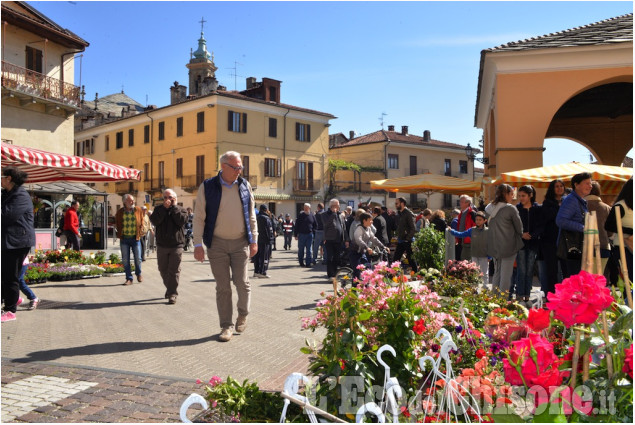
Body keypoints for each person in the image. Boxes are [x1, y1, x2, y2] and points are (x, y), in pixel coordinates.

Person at [193, 151, 258, 343]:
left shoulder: (245, 185)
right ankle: (226, 326)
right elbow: (199, 217)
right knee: (223, 287)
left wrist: (254, 240)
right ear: (223, 166)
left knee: (242, 283)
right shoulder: (207, 187)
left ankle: (243, 314)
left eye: (241, 167)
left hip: (240, 243)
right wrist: (197, 244)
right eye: (235, 167)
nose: (239, 171)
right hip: (217, 244)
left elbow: (251, 216)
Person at [2, 167, 36, 322]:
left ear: (9, 179)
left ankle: (10, 311)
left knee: (11, 276)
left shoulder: (20, 195)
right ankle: (13, 299)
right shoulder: (7, 194)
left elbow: (6, 216)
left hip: (18, 242)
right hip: (9, 241)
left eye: (1, 177)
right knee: (5, 275)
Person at [150, 189, 188, 304]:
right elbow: (155, 221)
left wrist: (174, 207)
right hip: (162, 245)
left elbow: (181, 221)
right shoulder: (158, 209)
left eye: (170, 197)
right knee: (163, 269)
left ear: (175, 198)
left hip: (176, 245)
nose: (167, 200)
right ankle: (170, 288)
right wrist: (164, 210)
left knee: (174, 270)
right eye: (165, 197)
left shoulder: (181, 210)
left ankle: (172, 293)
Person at [485, 184, 523, 296]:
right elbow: (519, 228)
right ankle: (502, 302)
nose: (512, 197)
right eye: (511, 194)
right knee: (506, 275)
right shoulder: (510, 209)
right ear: (505, 194)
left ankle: (494, 298)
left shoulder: (488, 208)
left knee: (497, 273)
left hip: (494, 245)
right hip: (508, 246)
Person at [556, 172, 592, 278]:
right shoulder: (571, 200)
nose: (590, 186)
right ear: (576, 185)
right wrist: (583, 228)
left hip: (577, 248)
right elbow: (560, 220)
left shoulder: (580, 201)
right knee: (573, 282)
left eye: (591, 183)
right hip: (571, 249)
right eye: (586, 183)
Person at [514, 185, 542, 307]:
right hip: (520, 244)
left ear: (530, 195)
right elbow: (513, 225)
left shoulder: (537, 209)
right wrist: (522, 234)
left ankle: (527, 296)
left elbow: (541, 225)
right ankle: (520, 295)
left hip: (533, 243)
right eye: (519, 196)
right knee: (521, 269)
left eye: (523, 196)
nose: (521, 198)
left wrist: (533, 235)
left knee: (529, 269)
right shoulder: (517, 209)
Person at [537, 179, 565, 297]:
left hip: (564, 240)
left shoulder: (567, 201)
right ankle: (551, 296)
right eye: (556, 186)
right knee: (551, 270)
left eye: (561, 186)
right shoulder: (547, 203)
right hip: (550, 241)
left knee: (564, 270)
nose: (559, 188)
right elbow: (548, 218)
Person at [449, 211, 489, 284]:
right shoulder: (472, 230)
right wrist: (452, 231)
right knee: (475, 272)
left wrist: (489, 256)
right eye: (477, 219)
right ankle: (476, 288)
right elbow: (461, 234)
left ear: (485, 221)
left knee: (484, 273)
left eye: (480, 220)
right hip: (474, 255)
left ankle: (485, 288)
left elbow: (491, 244)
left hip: (484, 255)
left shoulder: (488, 231)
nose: (478, 221)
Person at [605, 177, 633, 283]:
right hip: (623, 248)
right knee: (629, 279)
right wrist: (630, 231)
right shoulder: (621, 206)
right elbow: (609, 225)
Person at [115, 194, 145, 286]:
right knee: (125, 260)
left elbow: (142, 220)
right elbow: (117, 223)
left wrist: (142, 228)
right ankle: (129, 278)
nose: (132, 202)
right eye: (130, 201)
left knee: (138, 258)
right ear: (124, 202)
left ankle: (138, 273)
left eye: (133, 200)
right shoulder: (120, 212)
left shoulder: (138, 210)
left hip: (135, 238)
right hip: (124, 239)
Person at [351, 211, 387, 284]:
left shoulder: (368, 228)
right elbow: (358, 240)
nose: (372, 221)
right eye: (370, 220)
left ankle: (366, 288)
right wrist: (367, 247)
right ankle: (354, 290)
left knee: (368, 269)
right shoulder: (359, 229)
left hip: (362, 252)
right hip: (354, 252)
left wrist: (383, 246)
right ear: (364, 220)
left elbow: (373, 238)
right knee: (357, 271)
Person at [585, 182, 612, 278]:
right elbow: (610, 231)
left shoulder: (582, 205)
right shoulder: (607, 208)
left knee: (586, 281)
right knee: (598, 279)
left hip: (585, 247)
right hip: (604, 246)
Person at [393, 197, 418, 273]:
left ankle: (416, 274)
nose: (395, 205)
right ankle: (393, 274)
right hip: (401, 239)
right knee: (396, 259)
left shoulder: (408, 213)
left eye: (397, 203)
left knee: (411, 259)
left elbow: (413, 228)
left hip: (407, 240)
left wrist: (407, 238)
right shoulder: (400, 213)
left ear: (402, 203)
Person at [324, 199, 346, 283]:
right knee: (330, 258)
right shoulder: (325, 215)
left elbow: (343, 227)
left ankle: (335, 274)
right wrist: (333, 214)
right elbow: (326, 224)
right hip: (329, 239)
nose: (339, 207)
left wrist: (346, 239)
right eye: (337, 205)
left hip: (338, 239)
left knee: (337, 258)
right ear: (332, 206)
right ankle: (331, 275)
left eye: (338, 205)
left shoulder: (340, 215)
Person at [254, 204, 274, 278]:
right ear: (266, 210)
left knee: (257, 256)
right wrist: (271, 239)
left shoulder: (257, 217)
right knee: (265, 256)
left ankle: (256, 271)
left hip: (257, 239)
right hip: (265, 240)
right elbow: (269, 230)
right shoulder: (266, 218)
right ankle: (263, 271)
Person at [294, 203, 316, 267]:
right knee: (301, 250)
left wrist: (313, 231)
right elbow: (297, 225)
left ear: (309, 208)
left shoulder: (312, 215)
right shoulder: (301, 215)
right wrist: (296, 234)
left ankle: (308, 263)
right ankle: (301, 262)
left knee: (309, 250)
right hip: (301, 235)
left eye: (306, 207)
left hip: (309, 235)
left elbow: (315, 224)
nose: (305, 209)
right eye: (304, 207)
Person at [457, 195, 477, 261]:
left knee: (465, 261)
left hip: (469, 241)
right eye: (460, 201)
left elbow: (475, 227)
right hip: (462, 240)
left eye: (462, 202)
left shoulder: (472, 213)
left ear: (467, 203)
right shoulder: (461, 213)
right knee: (463, 260)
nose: (460, 203)